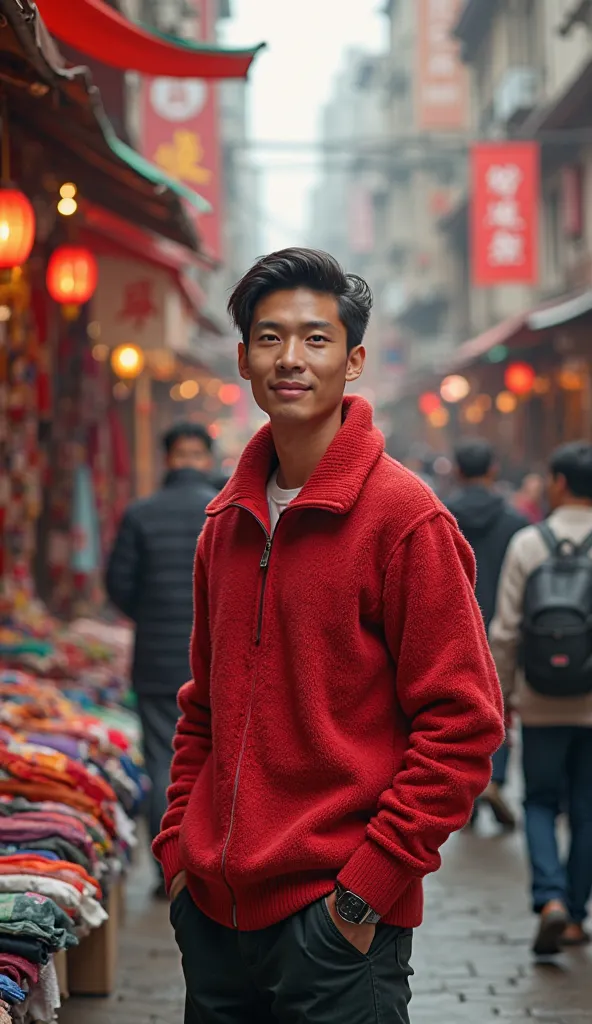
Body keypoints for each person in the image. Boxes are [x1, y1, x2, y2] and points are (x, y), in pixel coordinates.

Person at [154, 248, 504, 1024]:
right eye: (271, 338)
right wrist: (180, 850)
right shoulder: (226, 522)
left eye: (316, 339)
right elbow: (201, 709)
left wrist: (366, 889)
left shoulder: (405, 518)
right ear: (243, 359)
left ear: (354, 360)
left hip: (336, 928)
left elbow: (465, 722)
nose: (291, 359)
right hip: (214, 920)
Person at [106, 422, 217, 897]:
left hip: (155, 658)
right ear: (205, 459)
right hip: (217, 659)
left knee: (162, 761)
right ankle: (213, 865)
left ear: (169, 458)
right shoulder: (226, 508)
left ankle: (168, 873)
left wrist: (150, 615)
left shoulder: (140, 514)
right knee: (217, 759)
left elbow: (119, 586)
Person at [490, 441, 592, 955]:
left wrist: (501, 696)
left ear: (557, 482)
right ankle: (575, 915)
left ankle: (549, 898)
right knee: (588, 807)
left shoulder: (530, 543)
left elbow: (506, 632)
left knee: (540, 802)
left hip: (541, 700)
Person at [447, 439, 529, 830]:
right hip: (502, 623)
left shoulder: (441, 517)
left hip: (452, 626)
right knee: (500, 707)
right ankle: (494, 778)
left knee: (457, 709)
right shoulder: (515, 523)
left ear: (459, 472)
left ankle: (467, 786)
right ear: (493, 470)